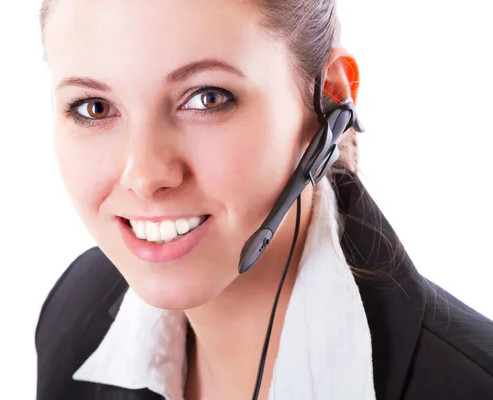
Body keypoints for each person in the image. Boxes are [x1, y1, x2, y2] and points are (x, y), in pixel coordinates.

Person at [34, 0, 493, 399]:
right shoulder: (77, 311)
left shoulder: (468, 384)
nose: (144, 176)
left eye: (207, 98)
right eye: (93, 107)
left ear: (329, 96)